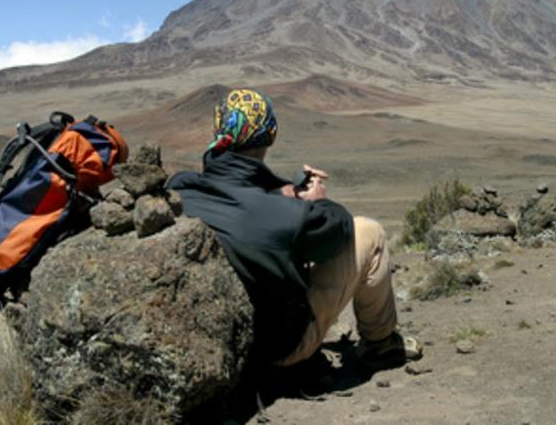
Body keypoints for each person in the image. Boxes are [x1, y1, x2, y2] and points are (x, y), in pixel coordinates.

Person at [167, 88, 421, 368]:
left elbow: (241, 201)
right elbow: (338, 230)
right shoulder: (284, 216)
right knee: (368, 232)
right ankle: (381, 345)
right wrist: (318, 202)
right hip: (276, 350)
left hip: (212, 342)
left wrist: (281, 195)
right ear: (271, 134)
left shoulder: (180, 188)